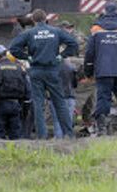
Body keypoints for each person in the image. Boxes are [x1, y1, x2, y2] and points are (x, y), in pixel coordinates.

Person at [10, 9, 79, 139]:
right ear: (46, 19)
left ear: (33, 20)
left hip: (36, 71)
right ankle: (69, 134)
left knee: (38, 104)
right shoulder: (56, 31)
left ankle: (42, 136)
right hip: (53, 70)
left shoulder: (29, 33)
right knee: (60, 103)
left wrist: (27, 57)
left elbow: (13, 48)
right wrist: (61, 56)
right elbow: (73, 43)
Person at [85, 2, 117, 136]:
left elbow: (90, 53)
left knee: (103, 99)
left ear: (104, 11)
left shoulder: (96, 29)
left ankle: (101, 129)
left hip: (103, 71)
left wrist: (88, 71)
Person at [0, 45, 31, 140]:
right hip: (16, 105)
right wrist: (26, 107)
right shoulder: (20, 68)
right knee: (16, 136)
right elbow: (28, 89)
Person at [49, 57, 78, 138]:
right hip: (70, 96)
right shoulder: (72, 67)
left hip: (56, 96)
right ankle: (69, 139)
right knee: (69, 120)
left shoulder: (52, 67)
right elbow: (75, 84)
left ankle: (59, 140)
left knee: (57, 121)